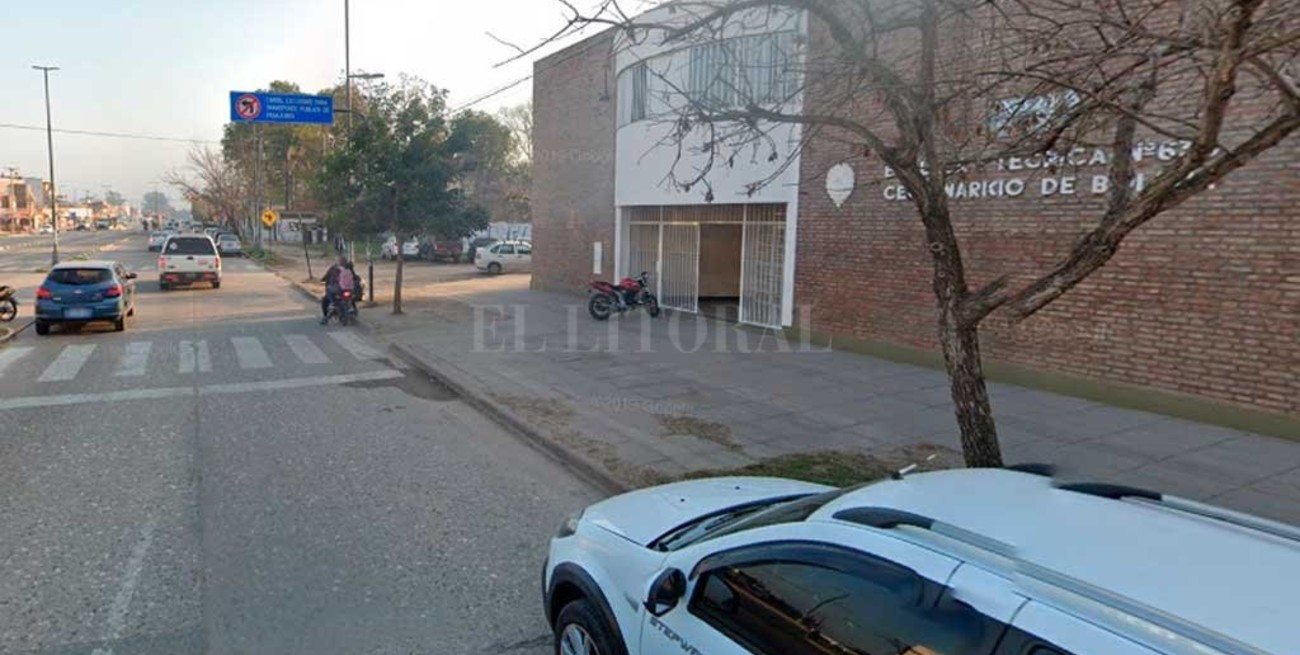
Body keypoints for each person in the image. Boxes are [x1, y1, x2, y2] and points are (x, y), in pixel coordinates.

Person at [320, 255, 360, 324]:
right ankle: (353, 309)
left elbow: (326, 277)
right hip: (349, 289)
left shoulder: (333, 268)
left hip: (338, 290)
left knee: (325, 300)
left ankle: (325, 315)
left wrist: (323, 280)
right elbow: (355, 277)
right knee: (351, 298)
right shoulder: (349, 268)